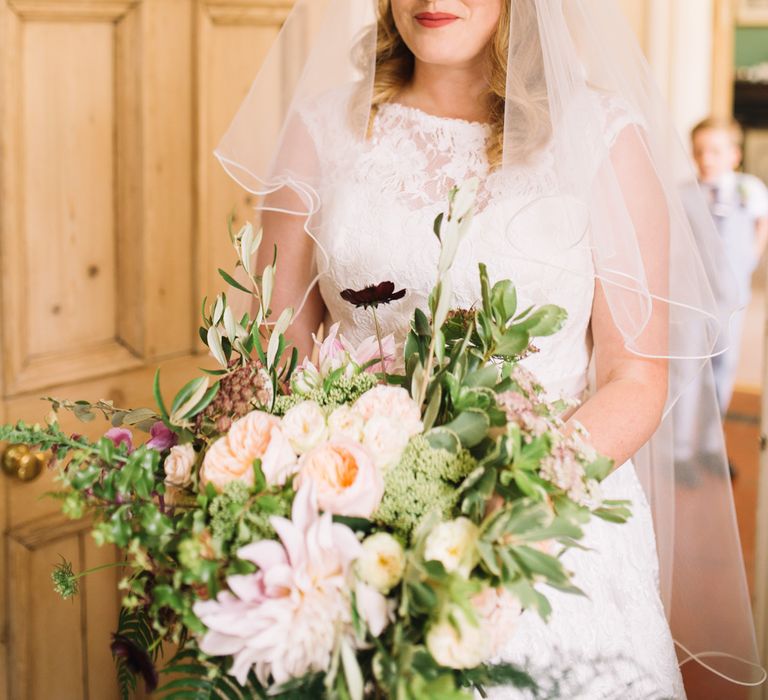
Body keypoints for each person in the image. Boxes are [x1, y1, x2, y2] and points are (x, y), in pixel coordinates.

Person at [214, 0, 764, 697]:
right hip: (351, 532)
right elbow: (279, 361)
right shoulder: (322, 130)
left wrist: (504, 498)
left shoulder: (602, 138)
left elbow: (635, 377)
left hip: (541, 527)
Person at [691, 117, 768, 415]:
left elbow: (763, 218)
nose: (705, 158)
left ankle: (715, 427)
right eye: (699, 151)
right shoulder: (688, 191)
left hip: (732, 290)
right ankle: (685, 437)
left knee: (724, 356)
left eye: (714, 151)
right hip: (695, 291)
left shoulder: (748, 188)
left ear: (735, 155)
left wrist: (752, 254)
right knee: (694, 358)